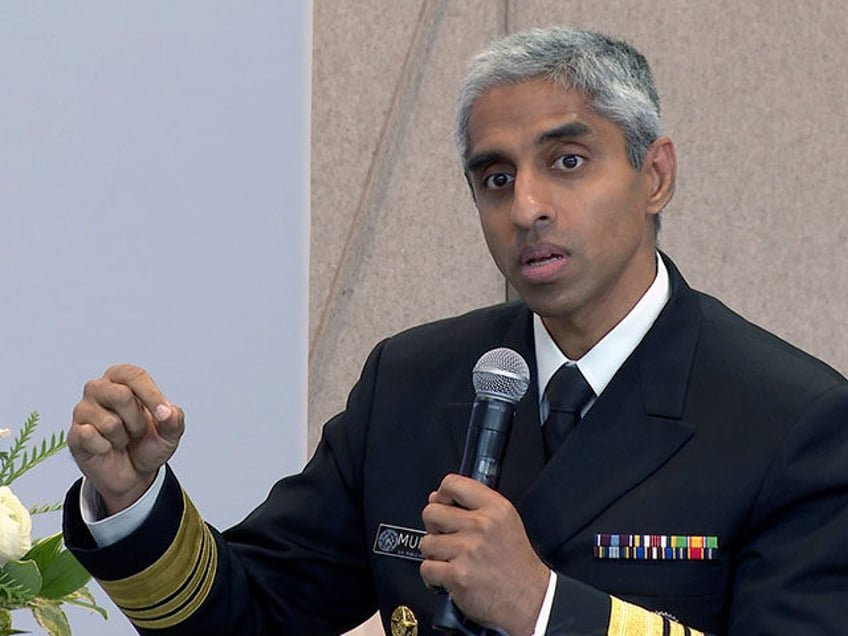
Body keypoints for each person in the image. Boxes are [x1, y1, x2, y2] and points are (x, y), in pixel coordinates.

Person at [63, 26, 848, 636]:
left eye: (567, 161)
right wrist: (132, 498)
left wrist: (541, 608)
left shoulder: (792, 420)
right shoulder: (412, 381)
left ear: (654, 175)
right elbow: (250, 612)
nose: (527, 206)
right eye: (495, 177)